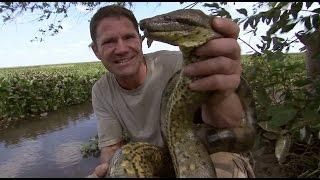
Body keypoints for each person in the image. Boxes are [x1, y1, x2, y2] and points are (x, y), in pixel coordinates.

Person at [88, 5, 255, 178]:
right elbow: (111, 148)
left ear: (140, 40)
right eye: (109, 42)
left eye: (129, 37)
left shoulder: (180, 65)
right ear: (96, 50)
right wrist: (108, 169)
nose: (121, 49)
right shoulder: (101, 90)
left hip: (206, 149)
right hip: (161, 159)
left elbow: (225, 123)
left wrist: (223, 93)